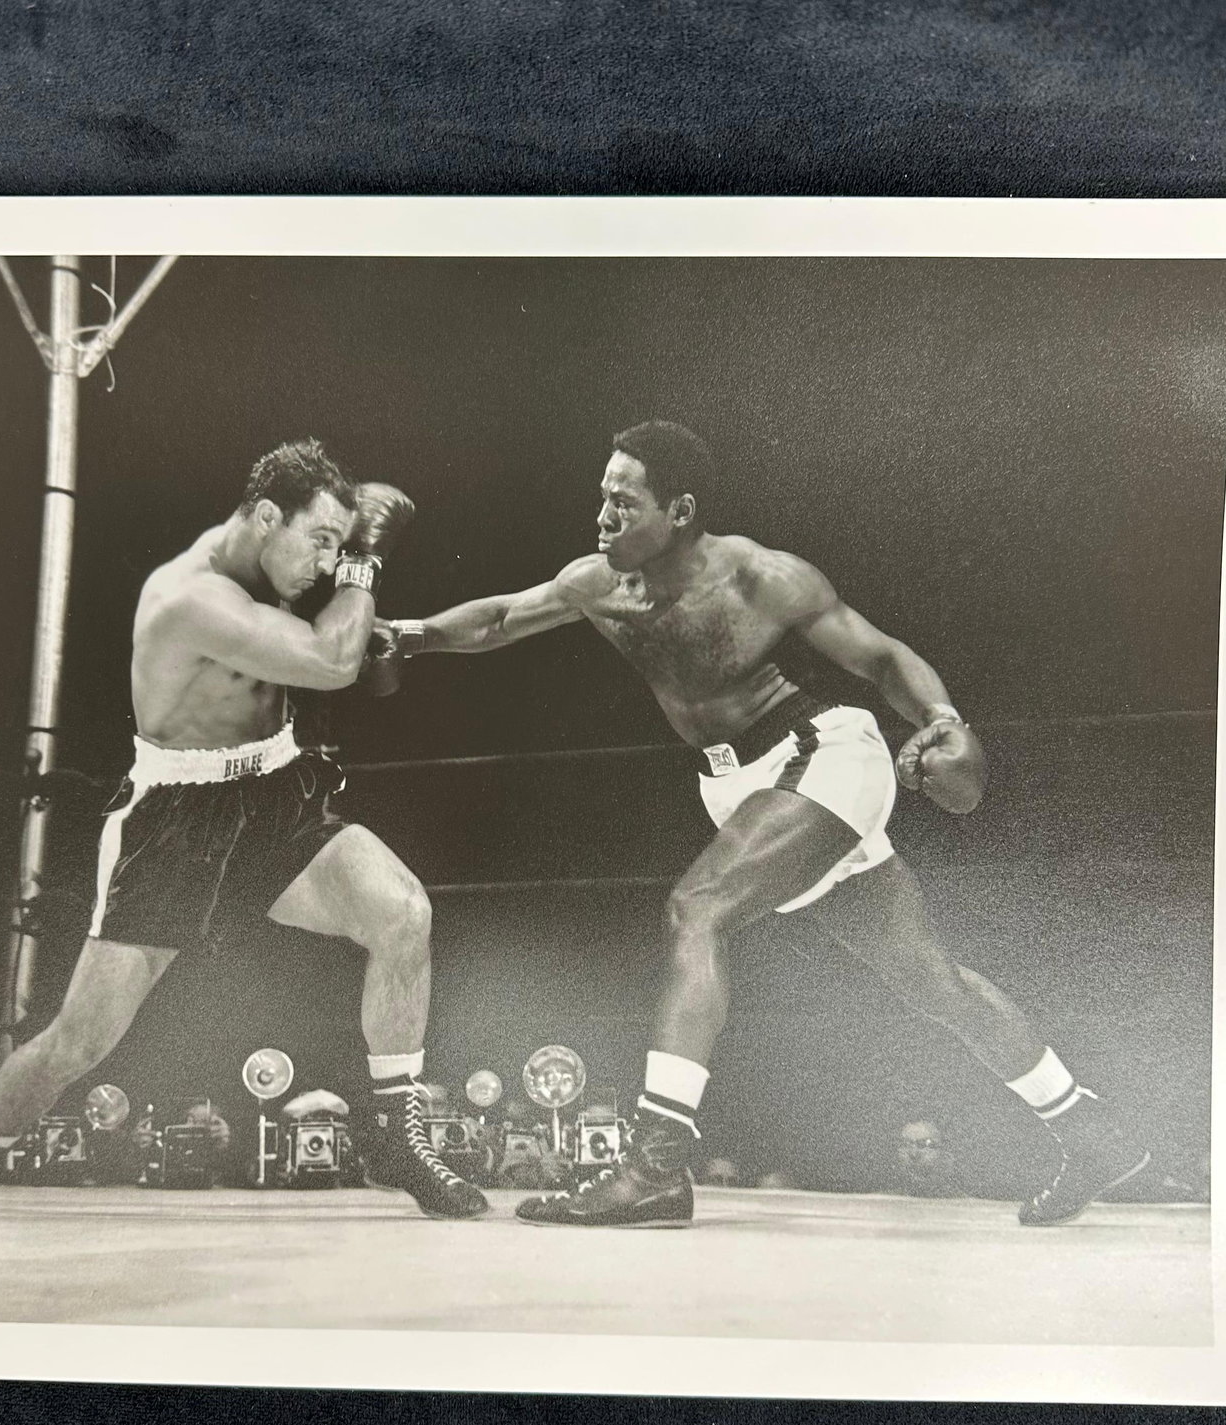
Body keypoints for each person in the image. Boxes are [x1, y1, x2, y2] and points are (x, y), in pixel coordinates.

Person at [373, 420, 1149, 1229]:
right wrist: (415, 636)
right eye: (601, 496)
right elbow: (502, 617)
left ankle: (655, 1167)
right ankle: (1087, 1126)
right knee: (931, 981)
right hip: (743, 785)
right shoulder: (598, 583)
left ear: (678, 509)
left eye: (623, 501)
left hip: (824, 758)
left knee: (696, 909)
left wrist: (944, 716)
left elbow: (880, 657)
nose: (602, 516)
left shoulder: (762, 577)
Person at [0, 439, 487, 1222]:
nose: (329, 562)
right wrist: (366, 559)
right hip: (177, 822)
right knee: (80, 1040)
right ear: (267, 517)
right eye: (321, 541)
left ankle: (397, 1131)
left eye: (340, 543)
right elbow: (335, 663)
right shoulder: (190, 597)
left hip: (276, 789)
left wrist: (357, 607)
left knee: (403, 912)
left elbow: (340, 658)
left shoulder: (268, 568)